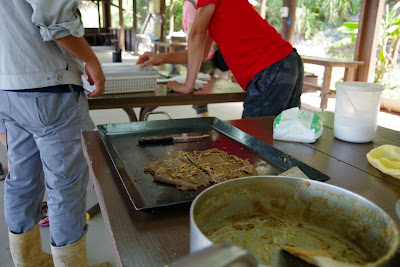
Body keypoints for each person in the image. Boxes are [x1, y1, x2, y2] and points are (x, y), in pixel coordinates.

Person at [0, 2, 110, 267]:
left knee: (21, 180)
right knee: (65, 186)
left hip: (7, 87)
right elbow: (54, 18)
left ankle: (28, 261)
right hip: (49, 84)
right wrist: (90, 59)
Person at [137, 0, 304, 118]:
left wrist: (188, 85)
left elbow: (196, 34)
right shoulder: (213, 8)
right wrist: (161, 57)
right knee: (283, 134)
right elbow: (201, 54)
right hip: (287, 61)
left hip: (270, 69)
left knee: (252, 146)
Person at [183, 0, 217, 117]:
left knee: (200, 105)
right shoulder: (206, 4)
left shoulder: (189, 5)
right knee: (202, 101)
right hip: (210, 57)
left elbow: (195, 36)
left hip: (200, 58)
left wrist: (188, 85)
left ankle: (203, 134)